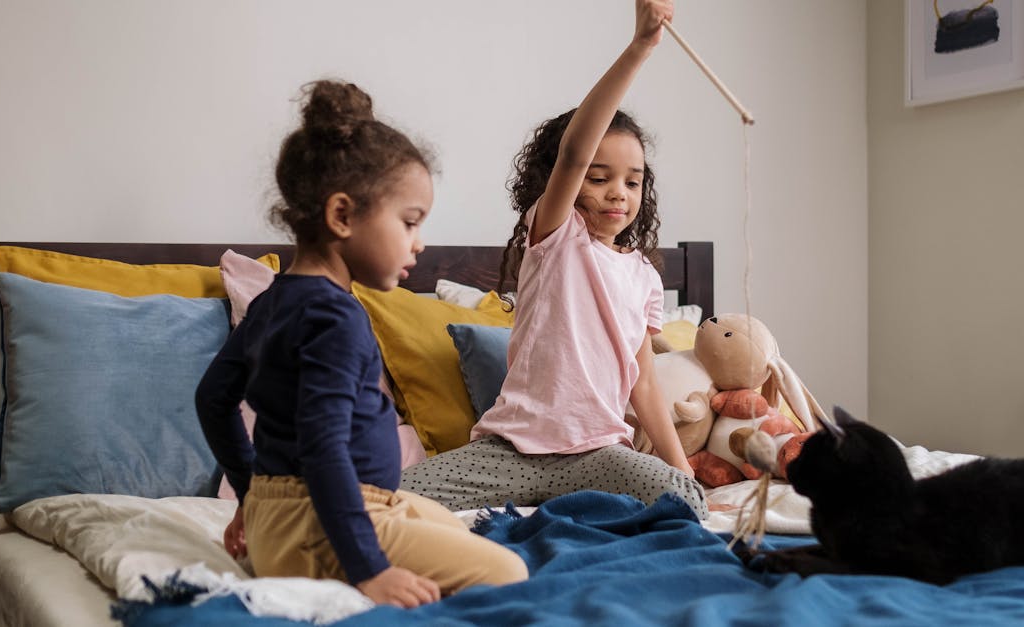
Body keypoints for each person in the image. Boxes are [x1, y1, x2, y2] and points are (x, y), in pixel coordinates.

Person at [195, 79, 527, 609]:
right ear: (343, 216)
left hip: (290, 517)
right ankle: (369, 577)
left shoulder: (274, 301)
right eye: (410, 222)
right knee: (509, 571)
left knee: (454, 527)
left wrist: (251, 495)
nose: (420, 242)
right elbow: (323, 447)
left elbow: (212, 399)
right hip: (321, 526)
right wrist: (368, 569)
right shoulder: (336, 318)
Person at [400, 0, 707, 521]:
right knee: (383, 501)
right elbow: (573, 153)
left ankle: (573, 512)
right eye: (600, 176)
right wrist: (640, 48)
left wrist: (684, 471)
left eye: (632, 182)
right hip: (511, 452)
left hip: (598, 454)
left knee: (688, 504)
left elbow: (645, 383)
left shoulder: (643, 277)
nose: (618, 193)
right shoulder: (556, 237)